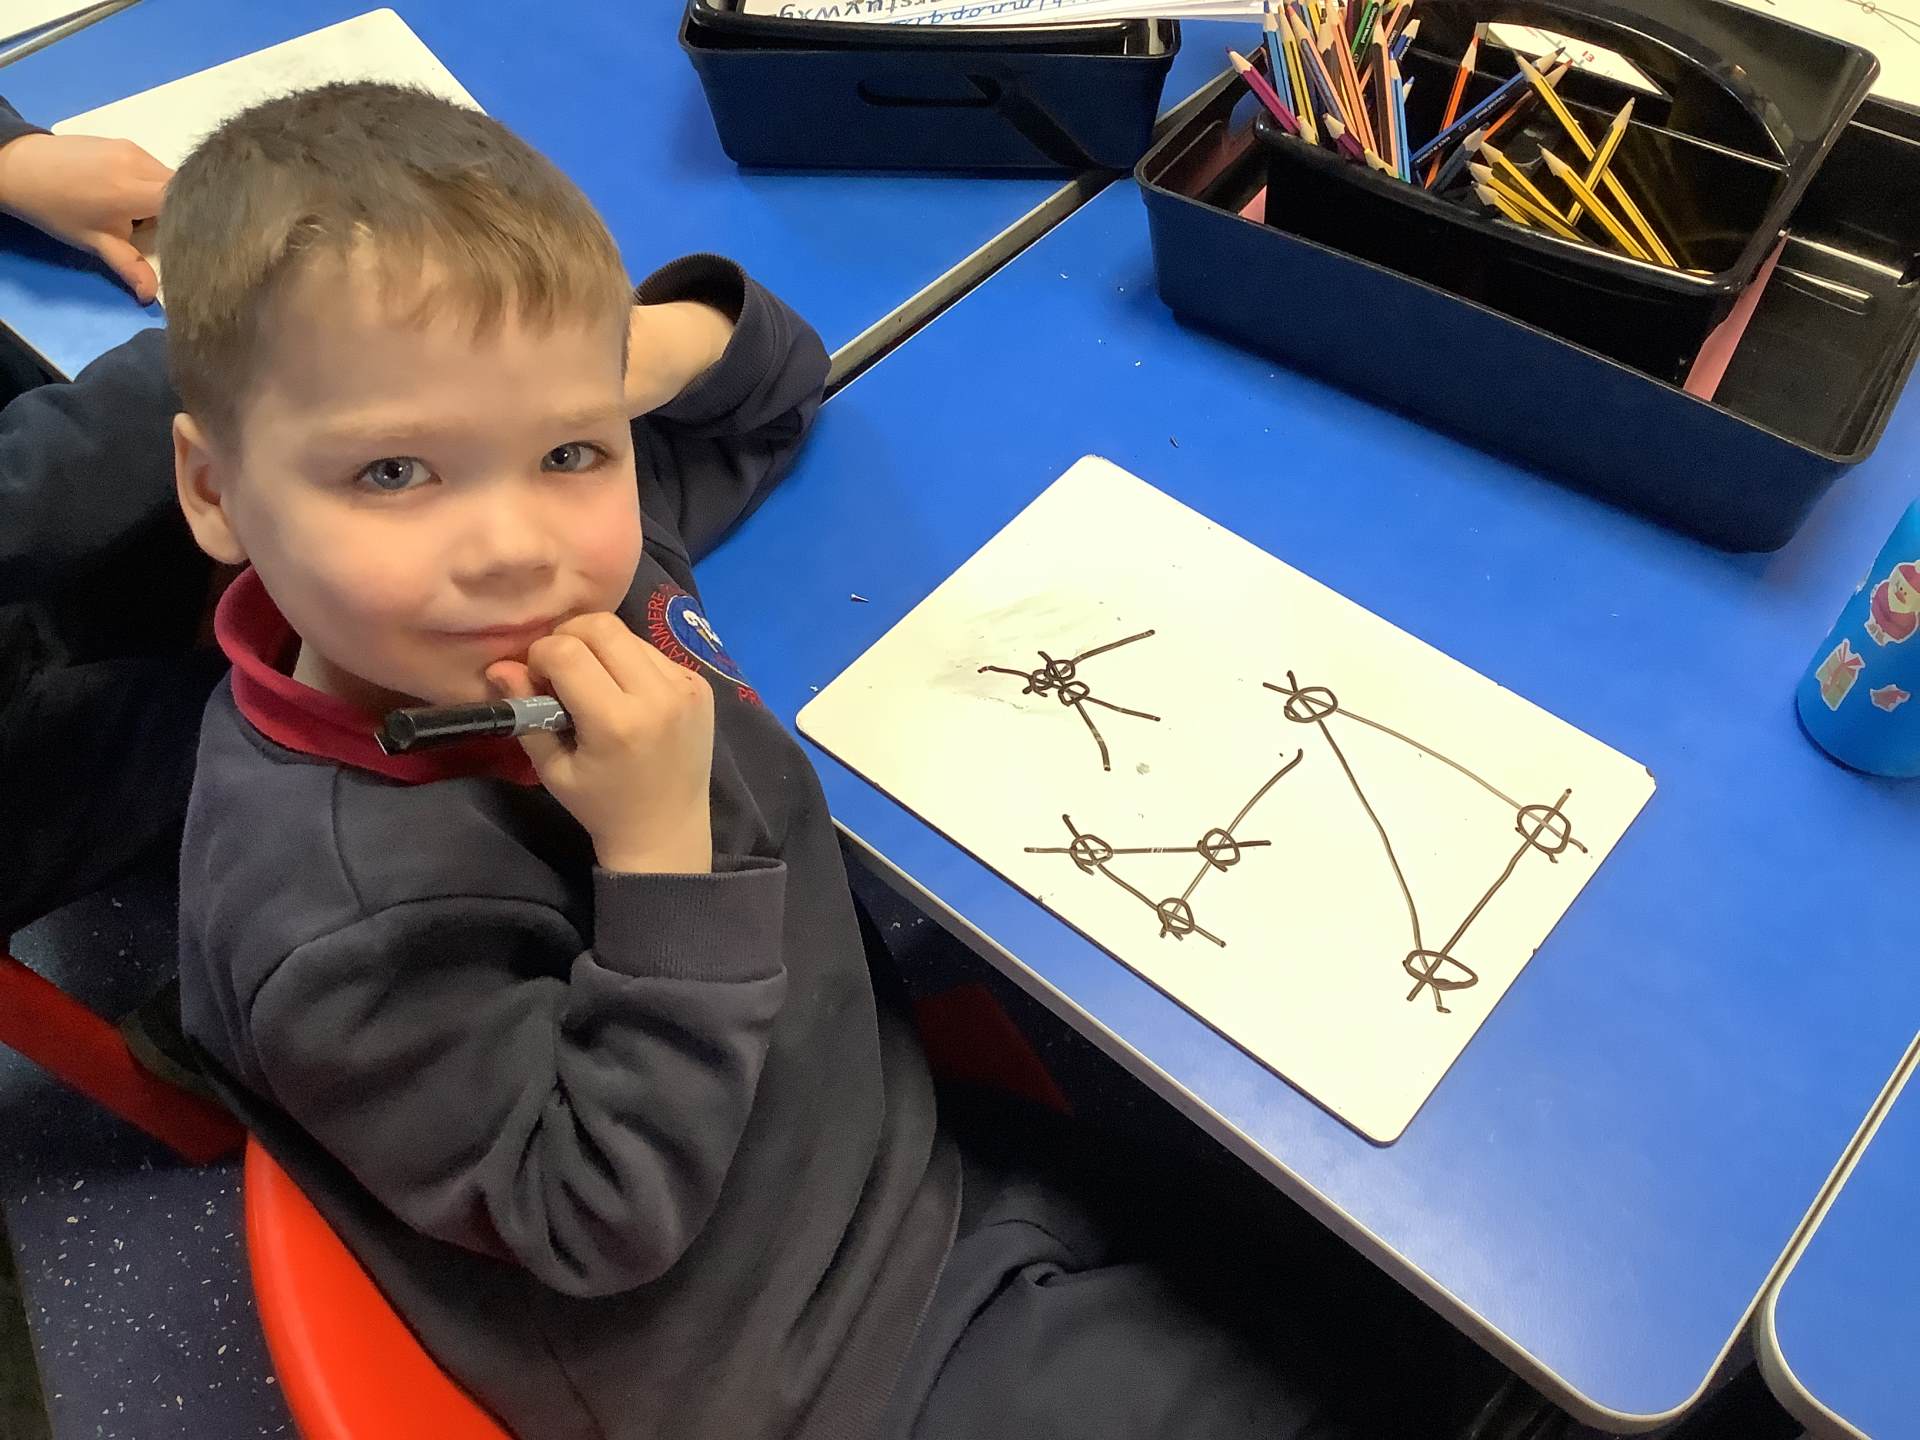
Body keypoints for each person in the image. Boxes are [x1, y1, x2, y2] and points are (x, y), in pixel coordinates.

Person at [169, 81, 1500, 1440]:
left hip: (876, 1126)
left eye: (569, 450)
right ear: (215, 491)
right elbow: (597, 1210)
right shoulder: (330, 913)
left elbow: (772, 388)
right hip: (815, 1350)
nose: (513, 546)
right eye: (393, 474)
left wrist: (581, 359)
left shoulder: (576, 568)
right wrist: (660, 857)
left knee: (1377, 1301)